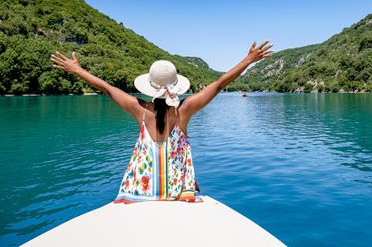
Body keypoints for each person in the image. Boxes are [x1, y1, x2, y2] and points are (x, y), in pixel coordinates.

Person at [50, 40, 274, 203]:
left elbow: (107, 88)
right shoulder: (184, 111)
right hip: (178, 193)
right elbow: (218, 84)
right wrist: (248, 60)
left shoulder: (140, 110)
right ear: (176, 86)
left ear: (149, 86)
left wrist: (77, 69)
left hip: (139, 193)